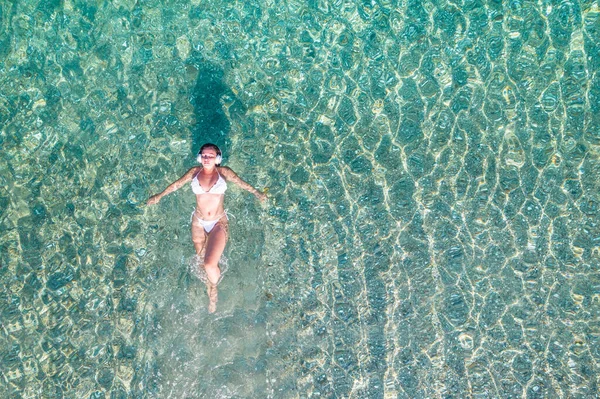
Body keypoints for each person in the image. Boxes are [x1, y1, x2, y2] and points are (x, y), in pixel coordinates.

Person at [147, 143, 266, 313]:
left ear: (217, 158)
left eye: (210, 155)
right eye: (204, 155)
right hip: (198, 223)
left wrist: (257, 193)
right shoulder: (194, 172)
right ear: (199, 157)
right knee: (202, 263)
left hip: (218, 222)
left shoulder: (224, 172)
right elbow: (176, 184)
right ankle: (210, 289)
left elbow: (242, 183)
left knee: (210, 264)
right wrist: (159, 196)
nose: (206, 158)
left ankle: (214, 289)